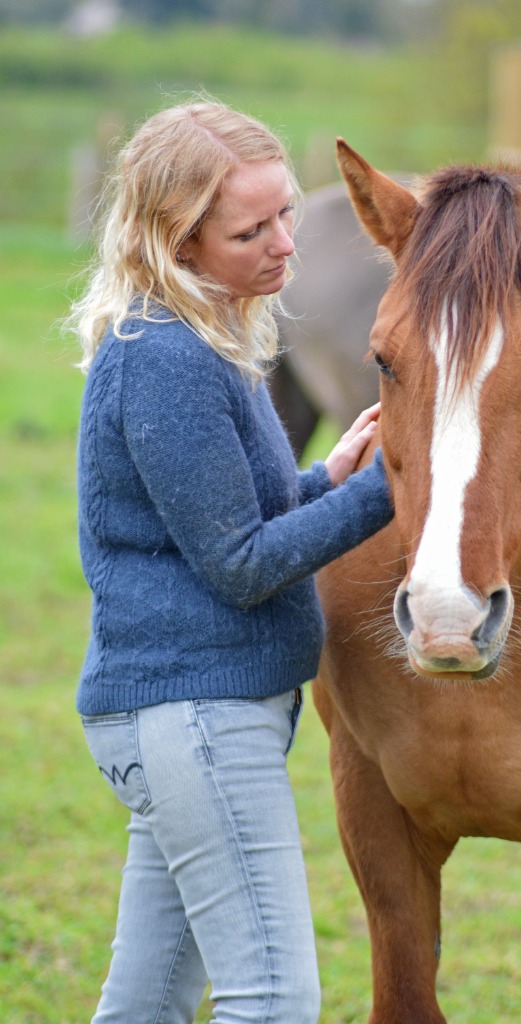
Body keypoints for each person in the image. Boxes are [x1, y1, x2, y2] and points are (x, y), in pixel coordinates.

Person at [67, 99, 393, 1024]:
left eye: (286, 211)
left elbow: (218, 516)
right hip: (195, 721)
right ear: (178, 240)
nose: (288, 243)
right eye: (251, 230)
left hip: (188, 718)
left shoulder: (203, 334)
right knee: (273, 998)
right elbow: (242, 564)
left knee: (145, 1003)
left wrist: (330, 477)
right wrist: (395, 486)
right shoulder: (165, 359)